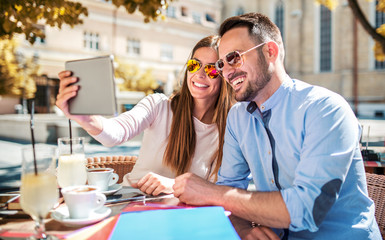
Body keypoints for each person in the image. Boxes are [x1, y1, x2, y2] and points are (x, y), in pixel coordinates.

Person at [173, 13, 381, 239]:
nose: (226, 72)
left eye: (234, 57)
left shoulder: (325, 109)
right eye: (222, 64)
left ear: (270, 51)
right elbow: (230, 188)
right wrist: (245, 230)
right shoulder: (238, 117)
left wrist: (210, 193)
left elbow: (305, 209)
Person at [56, 35, 233, 196]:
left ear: (225, 77)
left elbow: (215, 191)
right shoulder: (158, 105)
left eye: (211, 70)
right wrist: (86, 119)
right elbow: (115, 133)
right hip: (131, 202)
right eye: (194, 65)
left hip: (181, 216)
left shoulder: (228, 130)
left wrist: (173, 186)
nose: (199, 74)